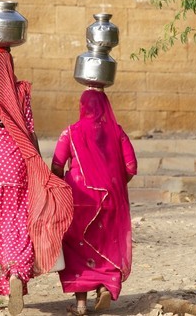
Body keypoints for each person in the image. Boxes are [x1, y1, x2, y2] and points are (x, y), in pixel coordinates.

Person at [0, 0, 73, 315]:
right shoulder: (21, 92)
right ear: (10, 70)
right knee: (15, 225)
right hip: (14, 165)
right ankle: (15, 273)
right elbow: (31, 133)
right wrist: (39, 169)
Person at [51, 88, 137, 315]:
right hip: (110, 198)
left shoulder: (70, 132)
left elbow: (57, 166)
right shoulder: (117, 132)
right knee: (107, 242)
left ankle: (80, 304)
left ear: (83, 107)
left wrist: (62, 185)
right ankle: (105, 285)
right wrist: (115, 185)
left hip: (79, 198)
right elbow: (131, 168)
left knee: (76, 246)